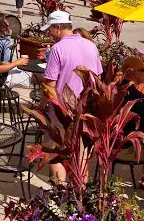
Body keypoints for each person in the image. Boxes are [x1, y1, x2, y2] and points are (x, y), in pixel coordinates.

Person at [42, 10, 103, 183]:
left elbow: (50, 85)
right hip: (86, 108)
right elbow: (97, 77)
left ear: (58, 28)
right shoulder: (91, 46)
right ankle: (79, 192)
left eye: (50, 29)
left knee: (53, 151)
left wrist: (43, 106)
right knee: (81, 153)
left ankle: (60, 191)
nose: (48, 33)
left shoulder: (57, 48)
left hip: (62, 109)